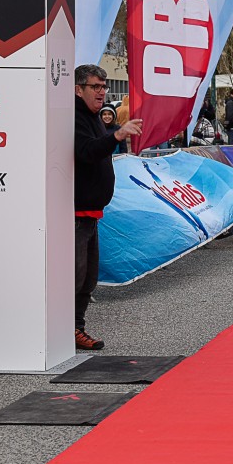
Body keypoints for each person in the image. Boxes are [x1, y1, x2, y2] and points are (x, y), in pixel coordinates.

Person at [74, 64, 142, 350]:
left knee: (88, 279)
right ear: (79, 89)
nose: (102, 92)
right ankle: (67, 330)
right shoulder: (73, 117)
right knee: (75, 277)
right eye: (95, 87)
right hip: (75, 213)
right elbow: (86, 152)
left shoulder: (93, 118)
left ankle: (76, 327)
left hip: (91, 213)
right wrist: (115, 136)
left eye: (104, 87)